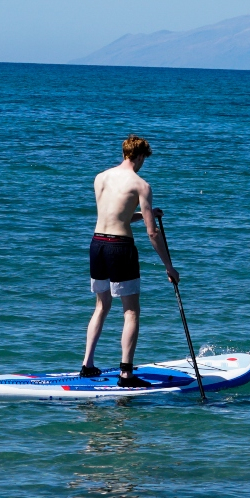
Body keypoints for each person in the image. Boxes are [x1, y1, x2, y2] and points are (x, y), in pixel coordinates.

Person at [80, 134, 180, 387]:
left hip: (98, 245)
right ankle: (126, 375)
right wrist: (169, 266)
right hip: (120, 248)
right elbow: (152, 233)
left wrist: (147, 214)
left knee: (101, 306)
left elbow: (115, 215)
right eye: (144, 158)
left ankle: (87, 365)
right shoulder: (141, 185)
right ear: (139, 156)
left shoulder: (100, 178)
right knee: (131, 311)